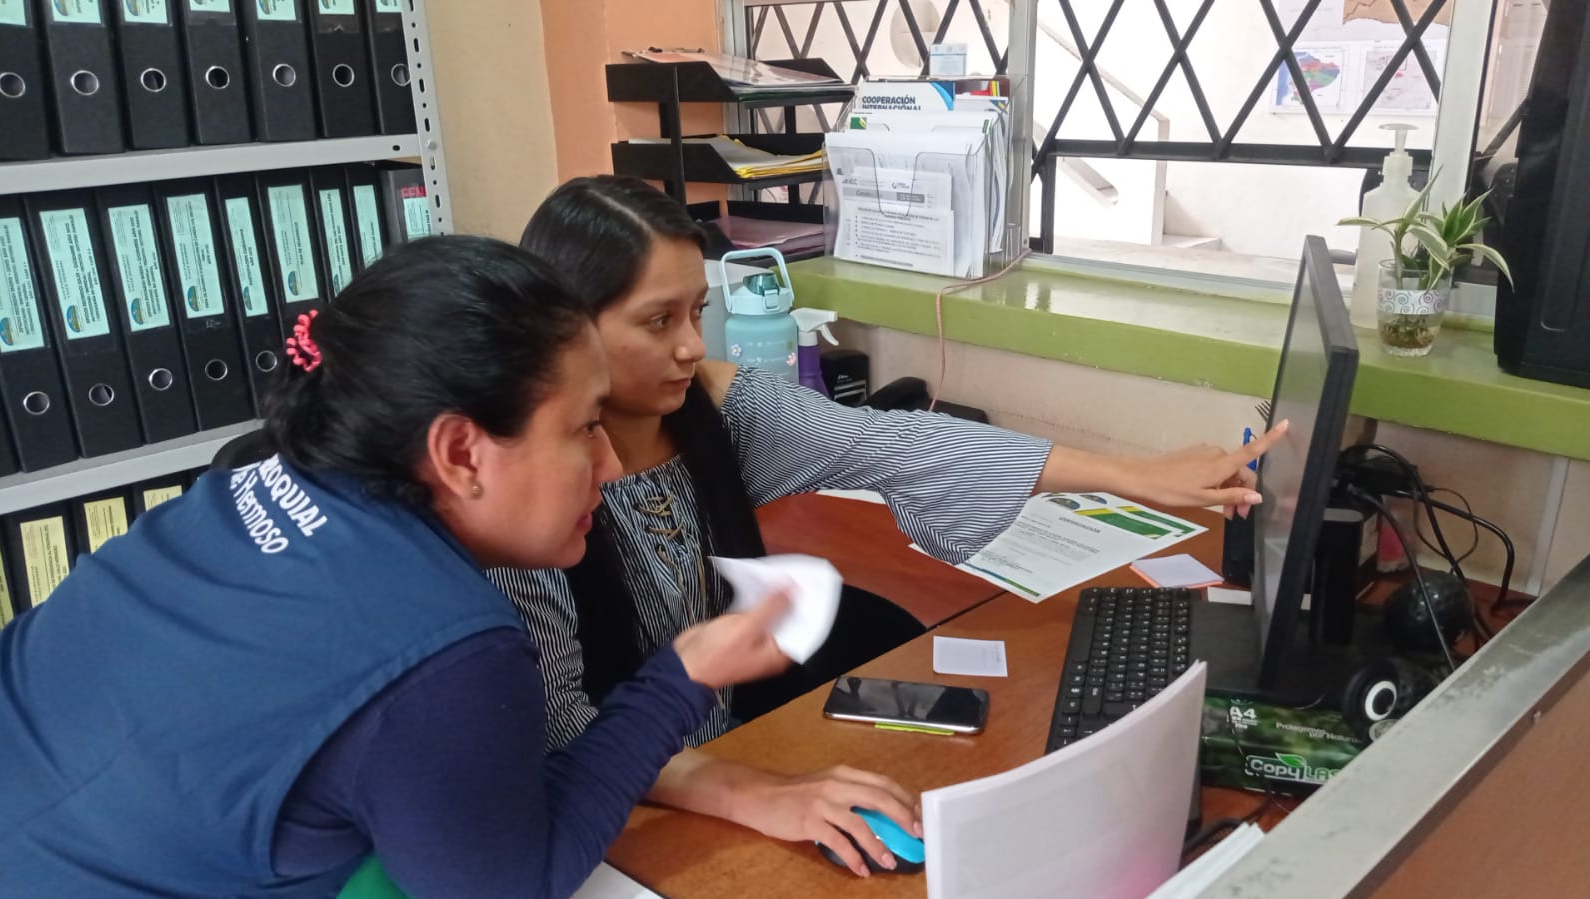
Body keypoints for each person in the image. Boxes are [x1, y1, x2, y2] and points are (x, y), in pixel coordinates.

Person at [491, 175, 1287, 875]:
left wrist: (1133, 475)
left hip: (729, 755)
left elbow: (895, 443)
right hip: (624, 810)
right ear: (568, 330)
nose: (691, 346)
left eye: (697, 311)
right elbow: (562, 731)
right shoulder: (530, 494)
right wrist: (752, 791)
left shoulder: (717, 408)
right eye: (657, 321)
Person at [0, 236, 794, 899]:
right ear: (459, 453)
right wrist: (680, 677)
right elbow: (513, 881)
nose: (611, 464)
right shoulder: (447, 644)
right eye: (585, 427)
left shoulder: (242, 489)